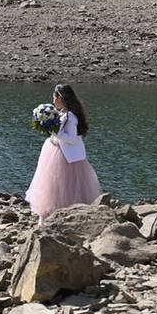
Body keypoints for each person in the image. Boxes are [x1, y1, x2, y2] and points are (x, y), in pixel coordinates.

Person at [25, 84, 101, 222]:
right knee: (53, 185)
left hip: (63, 156)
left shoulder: (70, 116)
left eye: (54, 97)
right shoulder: (64, 114)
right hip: (57, 151)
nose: (53, 100)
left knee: (60, 185)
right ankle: (49, 217)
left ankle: (54, 216)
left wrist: (56, 132)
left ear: (60, 97)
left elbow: (72, 139)